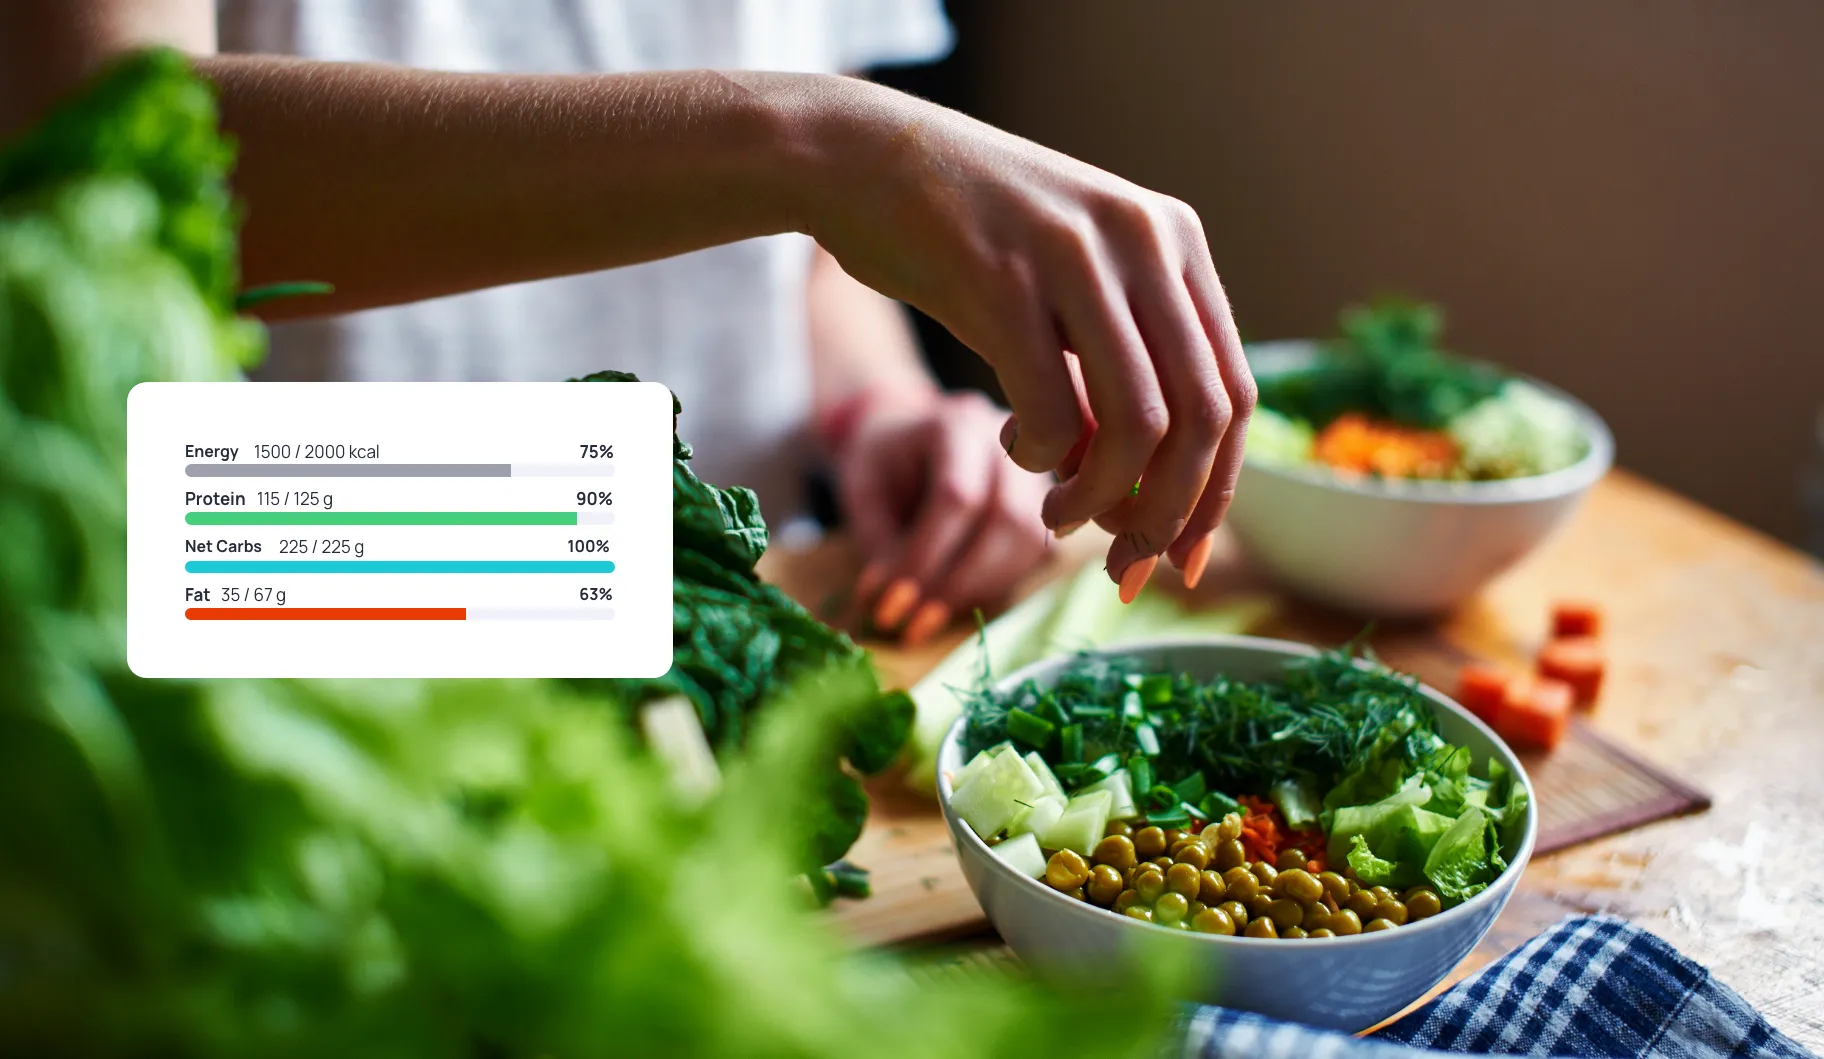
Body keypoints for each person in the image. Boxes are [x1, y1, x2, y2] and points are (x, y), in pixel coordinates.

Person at [1, 0, 1257, 641]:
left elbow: (812, 260)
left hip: (745, 604)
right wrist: (817, 147)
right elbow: (93, 157)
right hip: (289, 572)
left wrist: (876, 407)